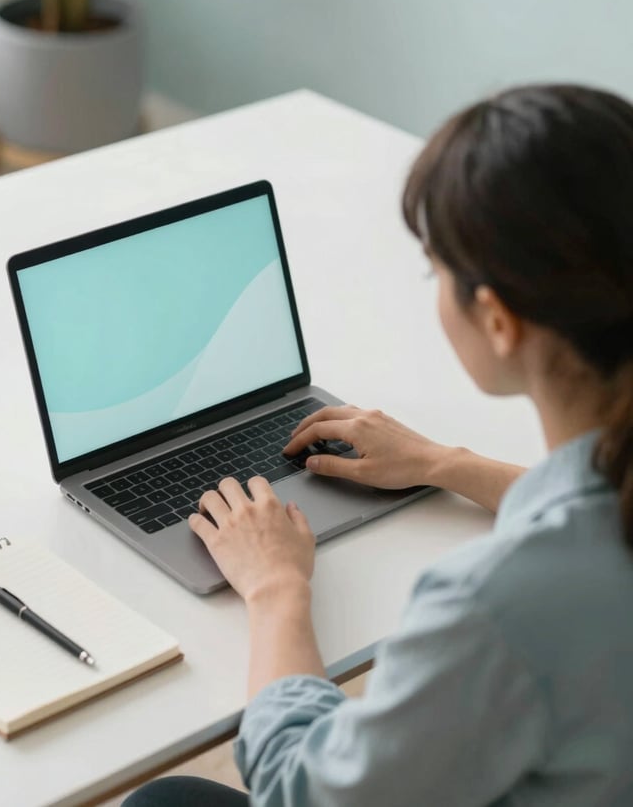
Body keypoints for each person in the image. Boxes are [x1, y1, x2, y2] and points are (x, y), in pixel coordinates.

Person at [123, 84, 633, 806]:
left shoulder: (494, 608)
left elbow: (304, 789)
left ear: (498, 321)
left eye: (437, 270)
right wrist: (443, 464)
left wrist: (275, 588)